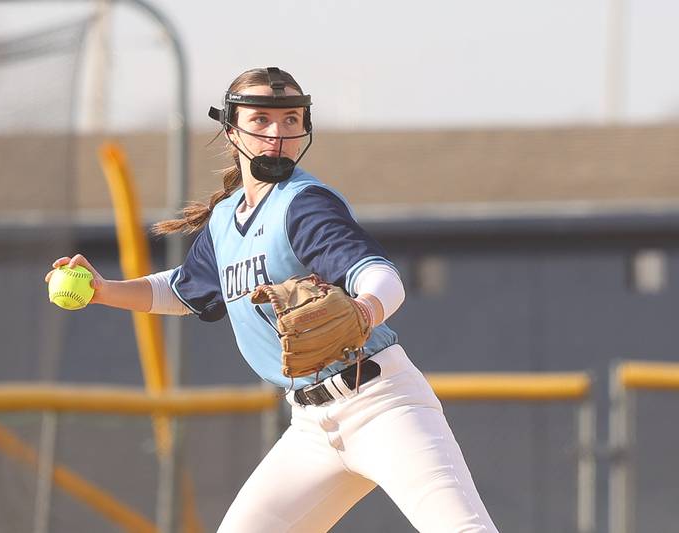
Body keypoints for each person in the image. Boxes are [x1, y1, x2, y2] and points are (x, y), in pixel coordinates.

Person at [45, 67, 499, 533]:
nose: (277, 133)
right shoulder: (225, 219)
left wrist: (364, 308)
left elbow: (382, 277)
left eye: (290, 120)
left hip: (381, 405)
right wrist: (103, 290)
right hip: (311, 425)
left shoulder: (304, 203)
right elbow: (182, 291)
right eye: (260, 119)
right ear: (231, 129)